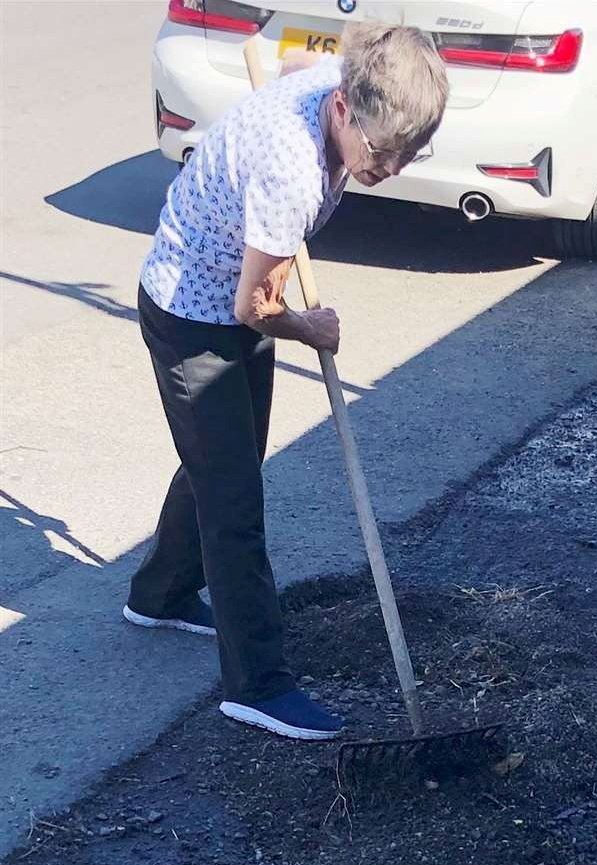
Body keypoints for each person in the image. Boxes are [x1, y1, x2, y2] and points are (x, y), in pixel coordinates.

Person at [124, 24, 449, 740]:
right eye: (381, 150)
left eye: (407, 152)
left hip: (228, 300)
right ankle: (259, 684)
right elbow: (256, 307)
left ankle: (161, 591)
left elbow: (303, 58)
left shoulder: (346, 81)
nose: (390, 168)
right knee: (234, 495)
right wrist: (314, 328)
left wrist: (286, 84)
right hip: (190, 311)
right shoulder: (292, 175)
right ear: (343, 110)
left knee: (225, 463)